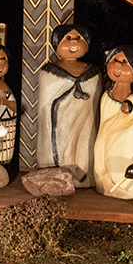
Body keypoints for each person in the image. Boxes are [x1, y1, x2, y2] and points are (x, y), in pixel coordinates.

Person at [36, 24, 102, 187]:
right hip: (60, 123)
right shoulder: (48, 71)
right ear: (56, 43)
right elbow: (46, 101)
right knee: (61, 148)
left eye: (79, 38)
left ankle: (83, 178)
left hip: (86, 121)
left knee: (84, 147)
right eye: (68, 38)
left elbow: (96, 99)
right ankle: (59, 179)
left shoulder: (94, 73)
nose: (74, 42)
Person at [93, 44, 133, 200]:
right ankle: (104, 184)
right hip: (107, 145)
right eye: (114, 60)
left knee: (124, 166)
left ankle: (131, 189)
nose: (117, 66)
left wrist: (132, 105)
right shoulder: (106, 95)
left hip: (130, 147)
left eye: (124, 62)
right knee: (105, 163)